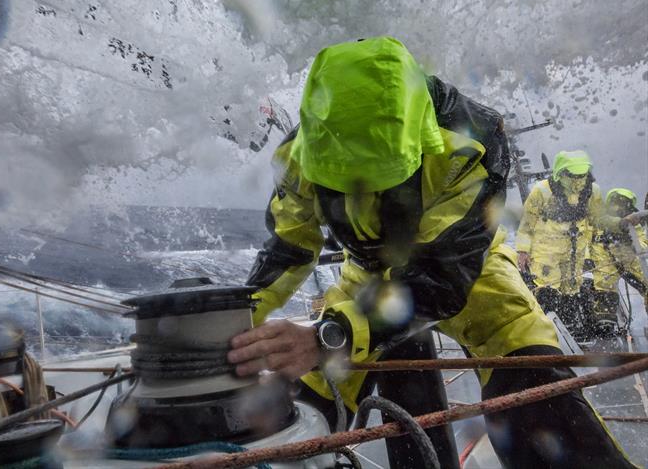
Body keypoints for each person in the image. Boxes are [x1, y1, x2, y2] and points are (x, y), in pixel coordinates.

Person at [227, 37, 636, 468]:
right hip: (366, 277)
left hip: (469, 270)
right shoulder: (297, 154)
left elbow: (443, 278)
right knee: (296, 416)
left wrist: (332, 336)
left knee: (532, 386)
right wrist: (233, 326)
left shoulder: (475, 143)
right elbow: (290, 247)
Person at [515, 152, 630, 333]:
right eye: (573, 176)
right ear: (561, 174)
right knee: (547, 289)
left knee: (572, 287)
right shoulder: (542, 191)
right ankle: (550, 328)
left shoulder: (592, 191)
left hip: (575, 250)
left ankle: (569, 327)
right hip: (546, 250)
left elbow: (598, 219)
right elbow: (527, 224)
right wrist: (522, 250)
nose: (578, 180)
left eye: (582, 175)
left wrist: (621, 223)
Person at [589, 188, 648, 328]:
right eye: (617, 202)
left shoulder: (634, 226)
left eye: (624, 203)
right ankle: (605, 319)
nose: (619, 207)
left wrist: (629, 240)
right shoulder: (599, 225)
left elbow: (643, 249)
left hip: (629, 260)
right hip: (605, 264)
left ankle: (607, 319)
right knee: (605, 286)